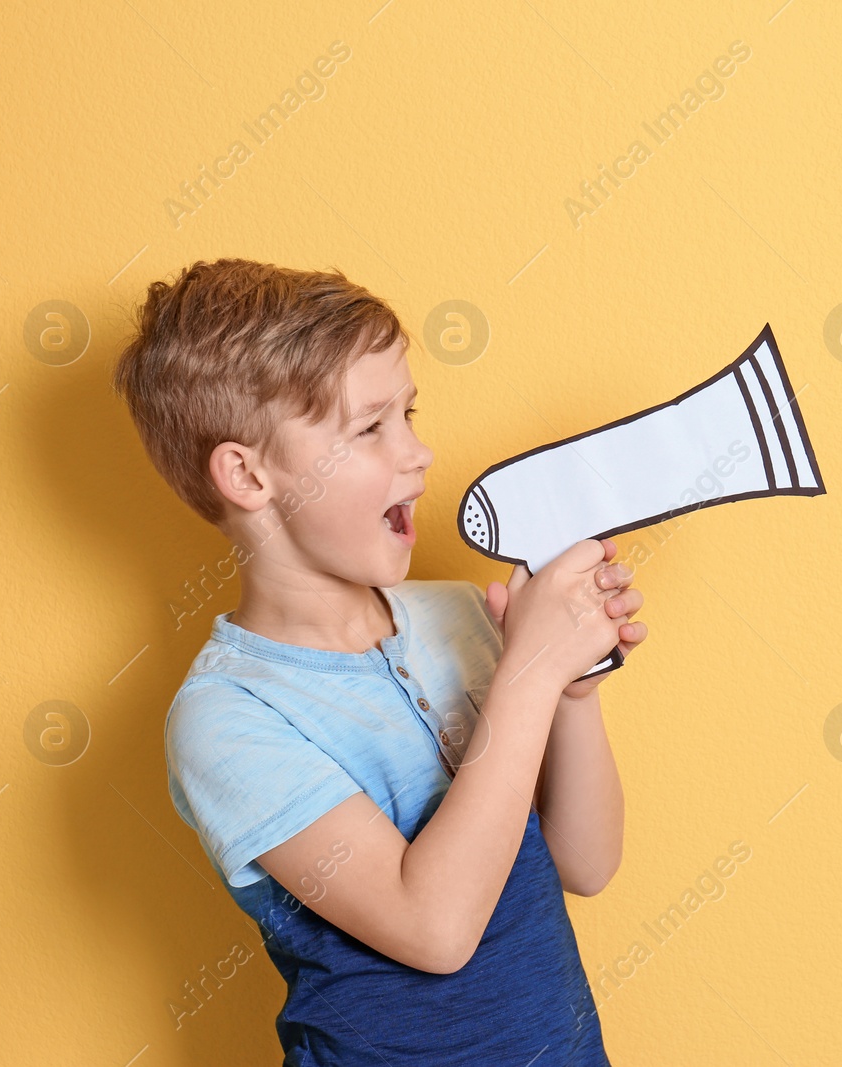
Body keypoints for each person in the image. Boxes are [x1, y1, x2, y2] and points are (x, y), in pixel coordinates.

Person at [111, 258, 644, 1064]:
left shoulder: (457, 615)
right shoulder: (228, 717)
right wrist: (529, 672)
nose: (419, 453)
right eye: (370, 428)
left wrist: (569, 689)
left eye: (410, 413)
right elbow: (434, 927)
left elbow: (586, 860)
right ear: (249, 475)